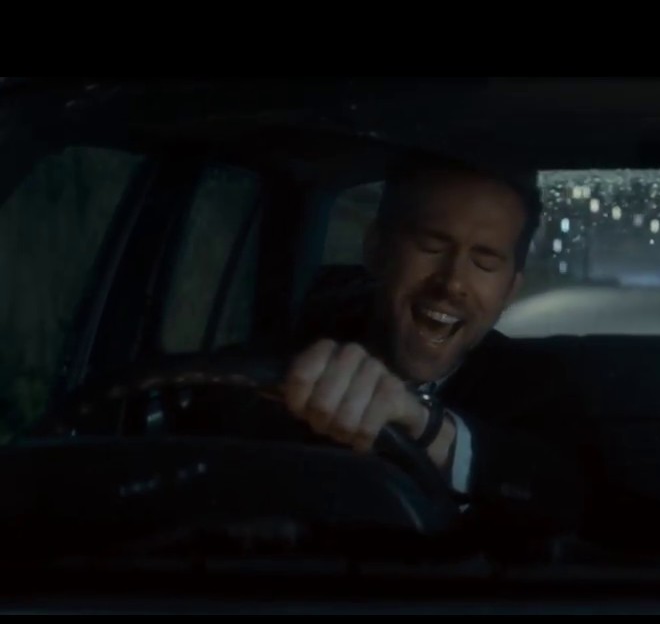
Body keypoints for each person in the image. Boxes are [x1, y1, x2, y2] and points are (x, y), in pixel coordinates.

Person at [207, 151, 595, 559]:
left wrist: (425, 426)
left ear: (509, 291)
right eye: (431, 245)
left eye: (484, 262)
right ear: (377, 250)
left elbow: (570, 501)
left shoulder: (540, 386)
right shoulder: (284, 360)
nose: (452, 283)